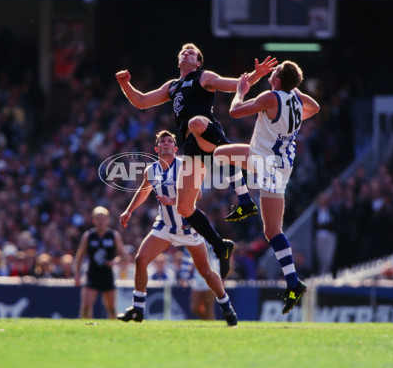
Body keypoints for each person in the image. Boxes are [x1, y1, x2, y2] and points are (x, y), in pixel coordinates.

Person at [116, 43, 277, 278]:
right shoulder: (172, 86)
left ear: (198, 62)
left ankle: (249, 185)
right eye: (183, 51)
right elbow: (140, 101)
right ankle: (221, 245)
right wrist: (124, 84)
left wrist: (256, 75)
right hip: (192, 149)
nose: (186, 52)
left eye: (192, 52)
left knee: (195, 123)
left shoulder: (204, 76)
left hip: (206, 132)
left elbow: (236, 85)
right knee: (184, 207)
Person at [214, 60, 320, 314]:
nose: (270, 75)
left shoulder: (271, 97)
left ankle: (245, 202)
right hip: (281, 164)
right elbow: (314, 108)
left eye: (273, 74)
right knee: (272, 230)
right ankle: (294, 282)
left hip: (265, 160)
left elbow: (235, 111)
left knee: (220, 154)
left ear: (277, 81)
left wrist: (240, 89)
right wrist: (294, 92)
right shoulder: (294, 99)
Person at [117, 130, 237, 326]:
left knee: (206, 272)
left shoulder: (185, 165)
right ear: (156, 148)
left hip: (188, 227)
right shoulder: (151, 170)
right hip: (165, 226)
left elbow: (197, 196)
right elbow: (144, 190)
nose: (166, 143)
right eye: (162, 141)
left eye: (169, 141)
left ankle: (226, 306)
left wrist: (172, 200)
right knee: (140, 260)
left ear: (175, 147)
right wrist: (129, 210)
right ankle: (138, 308)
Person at [74, 206, 127, 319]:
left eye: (103, 219)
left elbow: (123, 255)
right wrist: (77, 273)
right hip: (92, 274)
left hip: (107, 275)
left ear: (108, 220)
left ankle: (113, 331)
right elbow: (80, 256)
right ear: (93, 220)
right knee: (86, 307)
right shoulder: (89, 236)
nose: (101, 222)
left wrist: (114, 262)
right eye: (98, 219)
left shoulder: (113, 235)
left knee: (111, 308)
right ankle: (85, 329)